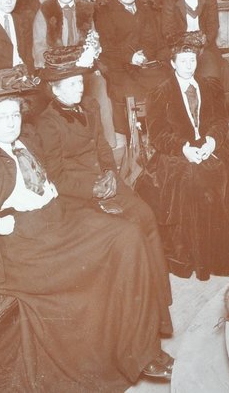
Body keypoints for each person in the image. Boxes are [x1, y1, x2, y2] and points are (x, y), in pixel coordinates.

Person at [0, 69, 174, 390]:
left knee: (127, 235)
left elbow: (56, 176)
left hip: (57, 219)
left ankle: (140, 350)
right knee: (102, 263)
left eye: (14, 115)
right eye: (2, 117)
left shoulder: (24, 142)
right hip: (22, 242)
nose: (11, 122)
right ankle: (122, 353)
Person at [32, 46, 172, 331]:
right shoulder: (47, 124)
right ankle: (134, 317)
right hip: (78, 195)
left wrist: (110, 173)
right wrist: (93, 188)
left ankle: (159, 306)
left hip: (106, 181)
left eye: (80, 82)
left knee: (145, 215)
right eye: (71, 84)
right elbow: (56, 176)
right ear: (55, 91)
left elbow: (103, 147)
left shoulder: (90, 107)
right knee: (127, 231)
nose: (78, 88)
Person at [138, 32, 229, 279]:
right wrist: (184, 149)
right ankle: (195, 256)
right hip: (175, 152)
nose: (188, 65)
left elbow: (221, 121)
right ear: (173, 63)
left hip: (209, 144)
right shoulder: (160, 92)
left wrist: (212, 140)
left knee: (226, 173)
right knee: (195, 181)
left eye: (192, 60)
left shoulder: (210, 86)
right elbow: (157, 135)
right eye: (183, 61)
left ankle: (220, 251)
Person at [31, 0, 116, 154]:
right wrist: (55, 66)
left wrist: (92, 51)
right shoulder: (45, 10)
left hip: (82, 67)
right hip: (57, 69)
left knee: (100, 85)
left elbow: (93, 39)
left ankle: (106, 144)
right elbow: (39, 46)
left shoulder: (85, 9)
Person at [94, 0, 168, 136]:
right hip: (118, 64)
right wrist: (129, 57)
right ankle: (131, 137)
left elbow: (153, 38)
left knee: (165, 81)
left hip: (144, 62)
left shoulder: (145, 10)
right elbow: (106, 46)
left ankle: (160, 132)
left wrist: (144, 55)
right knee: (128, 90)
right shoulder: (105, 12)